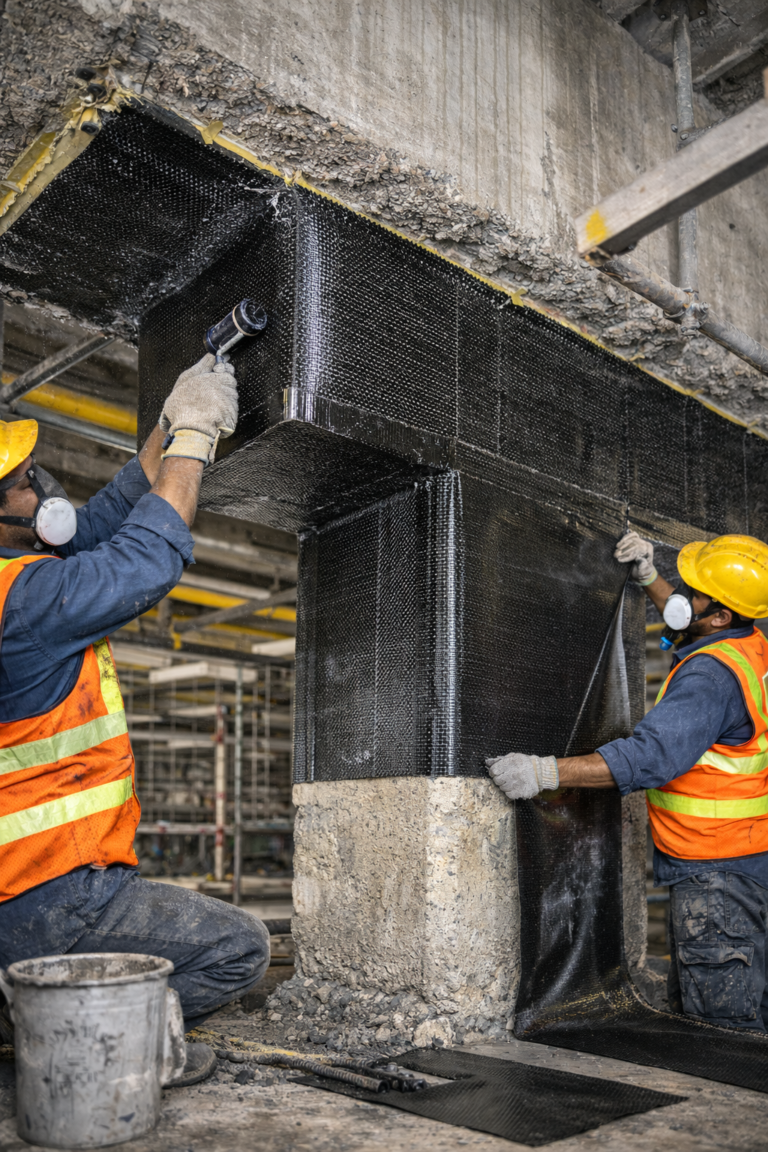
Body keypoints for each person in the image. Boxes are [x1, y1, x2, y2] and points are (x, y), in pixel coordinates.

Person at [0, 353, 269, 1043]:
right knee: (239, 947)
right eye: (28, 485)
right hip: (50, 893)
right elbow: (146, 555)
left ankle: (19, 1008)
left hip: (11, 893)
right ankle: (78, 1040)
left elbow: (106, 517)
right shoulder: (25, 601)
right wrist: (197, 434)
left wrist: (170, 416)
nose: (45, 491)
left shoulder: (20, 581)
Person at [488, 531, 768, 1032]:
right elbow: (692, 623)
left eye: (693, 591)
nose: (681, 593)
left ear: (720, 615)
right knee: (725, 997)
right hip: (747, 855)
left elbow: (651, 756)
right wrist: (650, 578)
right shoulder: (751, 646)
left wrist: (545, 772)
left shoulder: (710, 678)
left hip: (719, 869)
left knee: (725, 1025)